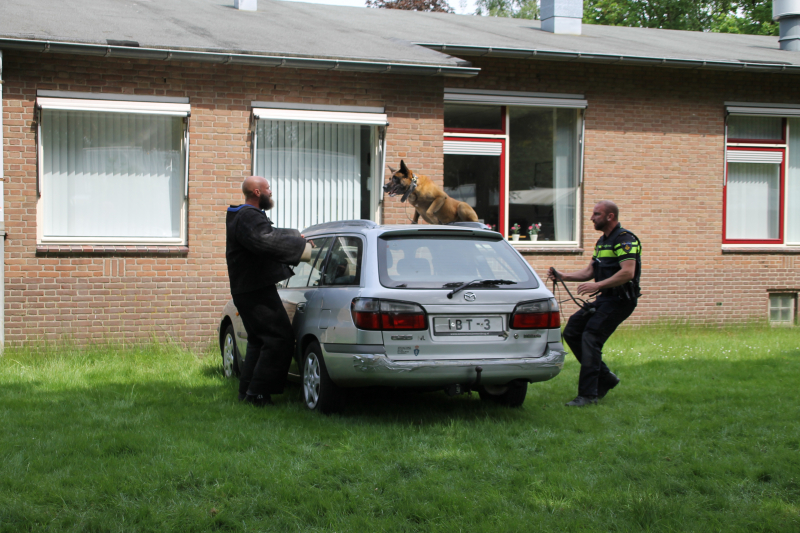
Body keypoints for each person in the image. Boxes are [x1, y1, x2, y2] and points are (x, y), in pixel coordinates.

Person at [226, 176, 312, 406]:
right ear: (256, 192)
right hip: (254, 289)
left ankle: (248, 392)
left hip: (247, 288)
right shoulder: (247, 216)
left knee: (259, 339)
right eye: (267, 188)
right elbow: (266, 240)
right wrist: (302, 247)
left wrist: (294, 236)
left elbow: (268, 234)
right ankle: (260, 394)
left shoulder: (244, 217)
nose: (270, 192)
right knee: (279, 338)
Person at [547, 200, 641, 407]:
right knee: (572, 331)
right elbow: (590, 271)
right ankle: (606, 378)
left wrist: (597, 285)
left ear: (610, 217)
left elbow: (627, 272)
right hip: (604, 298)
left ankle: (588, 395)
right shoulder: (602, 242)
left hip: (620, 300)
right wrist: (564, 276)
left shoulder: (625, 240)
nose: (591, 218)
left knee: (590, 337)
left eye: (596, 214)